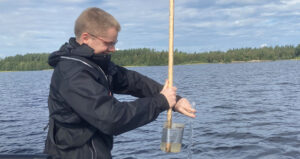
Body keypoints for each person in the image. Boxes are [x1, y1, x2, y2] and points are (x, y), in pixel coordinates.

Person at [44, 7, 196, 159]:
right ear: (86, 38)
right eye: (108, 43)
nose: (113, 49)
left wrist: (175, 100)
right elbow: (111, 118)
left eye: (114, 43)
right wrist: (160, 102)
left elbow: (133, 81)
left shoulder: (95, 64)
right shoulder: (73, 73)